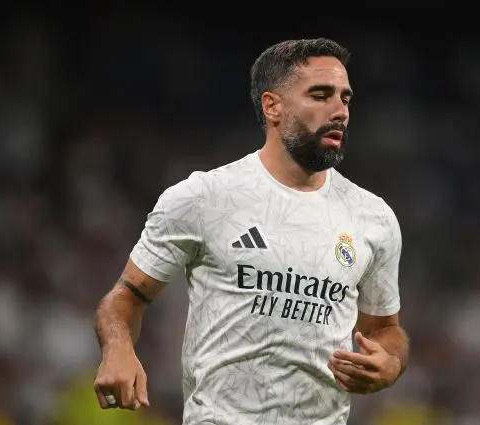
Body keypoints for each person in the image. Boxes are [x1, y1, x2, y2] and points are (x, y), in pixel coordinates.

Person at [93, 37, 410, 425]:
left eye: (345, 98)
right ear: (272, 106)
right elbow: (125, 298)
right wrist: (118, 348)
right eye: (320, 95)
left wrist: (390, 361)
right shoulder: (204, 197)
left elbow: (385, 329)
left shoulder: (372, 217)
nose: (339, 111)